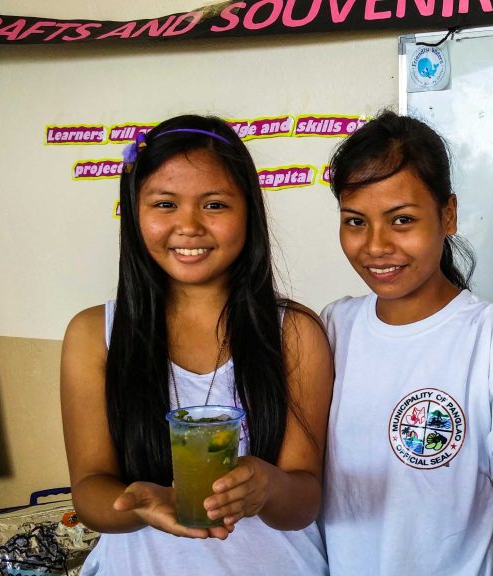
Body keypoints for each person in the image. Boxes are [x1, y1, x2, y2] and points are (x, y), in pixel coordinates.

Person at [60, 114, 332, 575]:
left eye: (214, 205)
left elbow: (304, 502)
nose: (188, 226)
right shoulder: (94, 334)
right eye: (164, 205)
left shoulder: (294, 332)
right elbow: (89, 491)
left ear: (248, 211)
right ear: (134, 212)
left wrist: (267, 486)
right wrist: (140, 505)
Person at [319, 111, 493, 575]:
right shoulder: (335, 328)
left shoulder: (492, 342)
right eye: (355, 221)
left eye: (402, 220)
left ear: (447, 214)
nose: (375, 246)